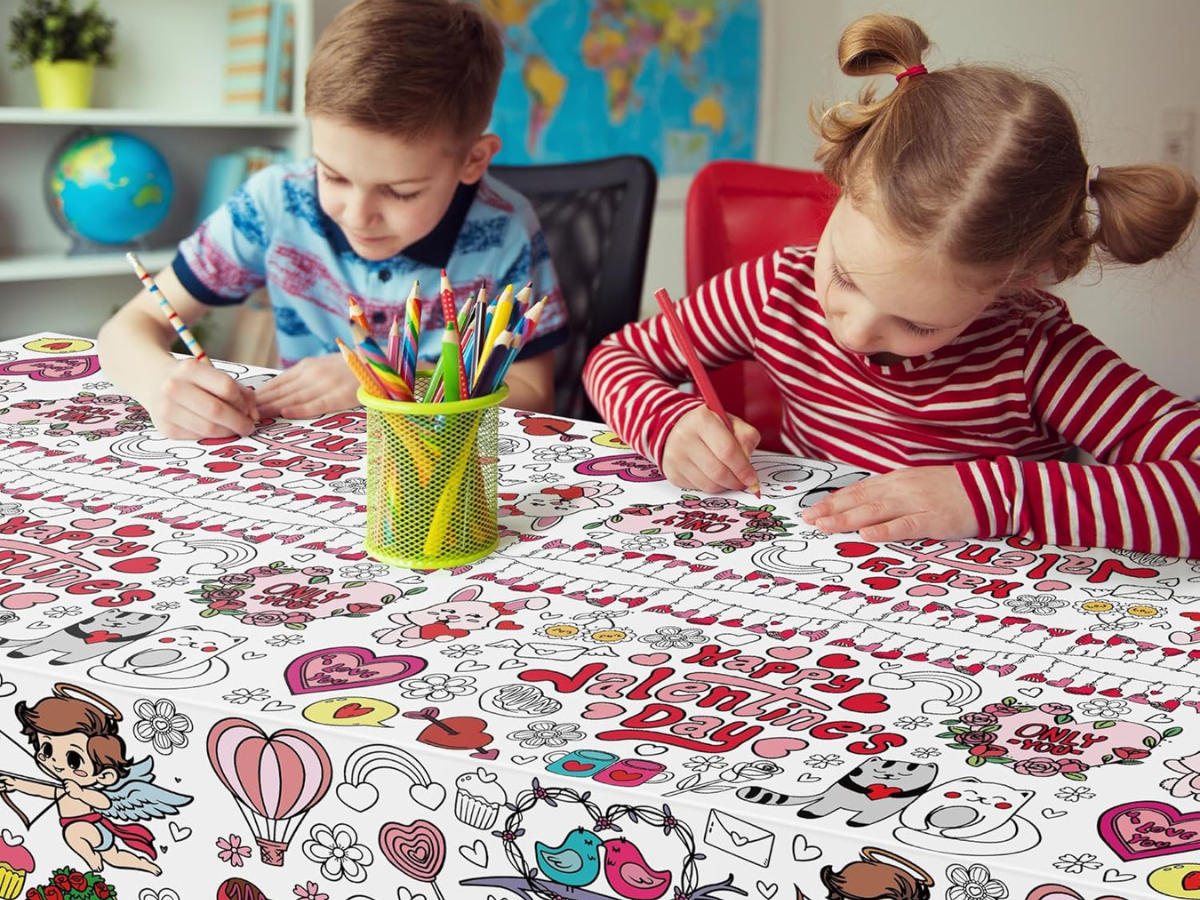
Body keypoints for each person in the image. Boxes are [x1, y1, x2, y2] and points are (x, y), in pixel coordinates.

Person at [583, 13, 1200, 555]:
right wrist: (666, 423)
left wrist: (992, 495)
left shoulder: (1034, 353)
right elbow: (616, 357)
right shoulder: (777, 289)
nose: (854, 332)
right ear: (842, 180)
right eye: (844, 276)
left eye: (917, 324)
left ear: (1016, 281)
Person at [99, 0, 567, 439]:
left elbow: (533, 391)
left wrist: (384, 380)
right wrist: (157, 381)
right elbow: (129, 326)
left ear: (474, 160)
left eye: (400, 191)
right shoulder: (276, 201)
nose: (357, 215)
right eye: (333, 175)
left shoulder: (505, 228)